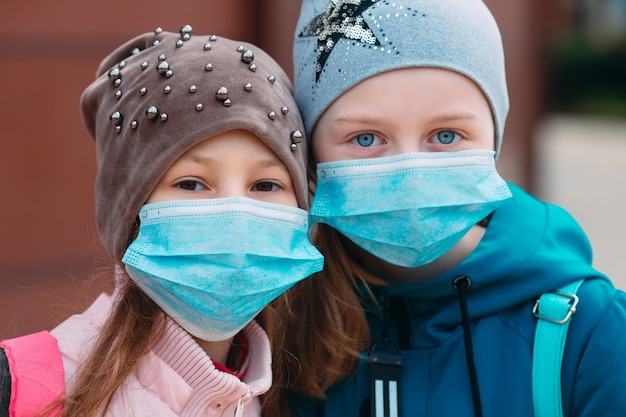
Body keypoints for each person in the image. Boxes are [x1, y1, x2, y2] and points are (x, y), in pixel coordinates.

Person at [261, 1, 626, 416]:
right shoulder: (275, 329)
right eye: (366, 138)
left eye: (447, 135)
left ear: (493, 140)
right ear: (311, 156)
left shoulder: (592, 334)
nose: (410, 171)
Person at [0, 25, 323, 417]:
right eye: (191, 183)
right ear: (128, 209)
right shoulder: (21, 389)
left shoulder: (294, 397)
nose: (235, 214)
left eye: (266, 184)